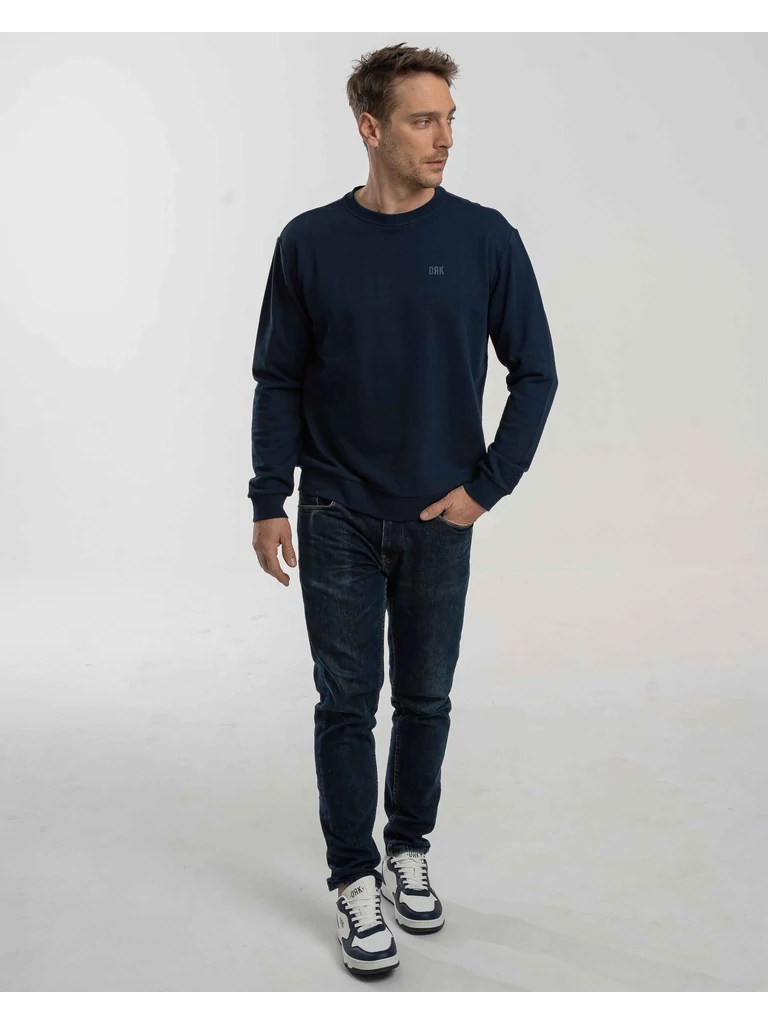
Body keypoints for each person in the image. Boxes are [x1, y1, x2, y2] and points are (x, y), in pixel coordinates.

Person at [248, 41, 558, 978]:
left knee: (425, 700)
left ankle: (408, 847)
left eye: (451, 119)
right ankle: (354, 877)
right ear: (370, 127)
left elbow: (536, 373)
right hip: (335, 511)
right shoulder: (309, 242)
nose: (445, 138)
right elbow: (278, 377)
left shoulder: (485, 238)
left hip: (438, 516)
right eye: (425, 120)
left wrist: (487, 487)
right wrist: (269, 498)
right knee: (346, 704)